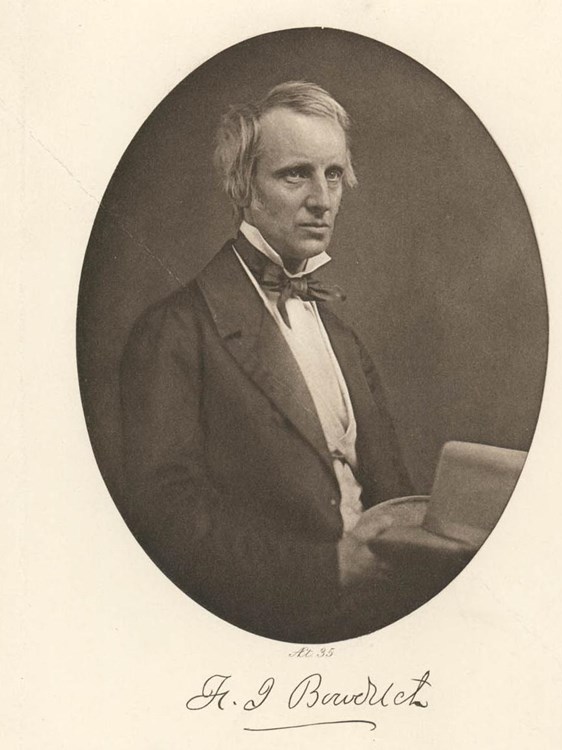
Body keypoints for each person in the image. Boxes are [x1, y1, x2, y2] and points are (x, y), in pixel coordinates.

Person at [120, 81, 415, 642]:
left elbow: (393, 491)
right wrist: (327, 570)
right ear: (243, 188)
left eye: (333, 174)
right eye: (295, 174)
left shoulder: (341, 336)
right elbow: (169, 520)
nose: (323, 199)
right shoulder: (175, 332)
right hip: (269, 626)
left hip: (382, 621)